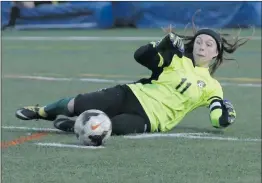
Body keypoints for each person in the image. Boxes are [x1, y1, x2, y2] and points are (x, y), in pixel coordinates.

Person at [15, 24, 252, 135]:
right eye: (199, 41)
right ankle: (42, 111)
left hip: (151, 119)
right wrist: (162, 45)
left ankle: (76, 126)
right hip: (131, 94)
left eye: (209, 44)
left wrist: (225, 118)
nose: (202, 46)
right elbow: (141, 56)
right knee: (78, 104)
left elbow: (216, 119)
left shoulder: (212, 87)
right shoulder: (177, 59)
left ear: (216, 54)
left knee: (111, 127)